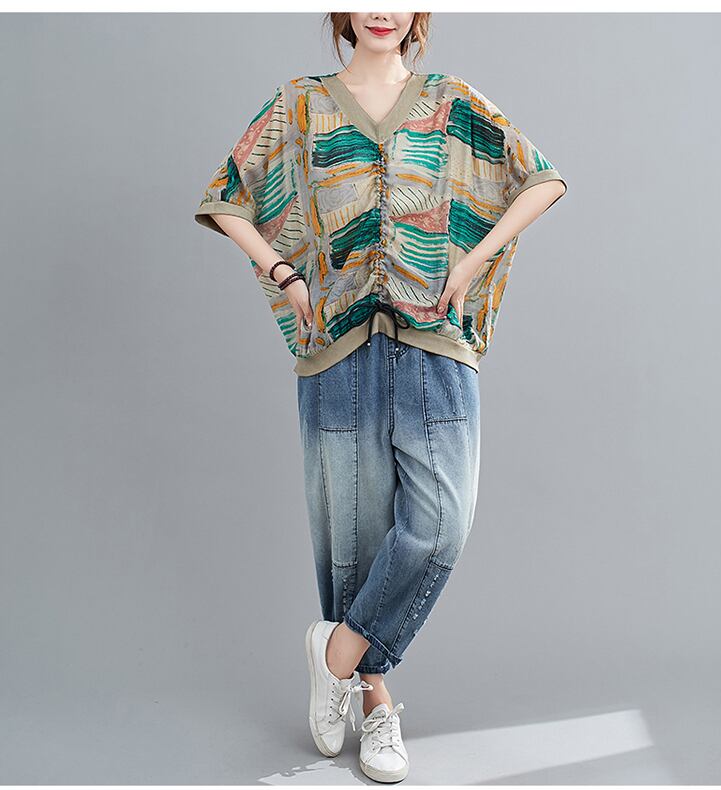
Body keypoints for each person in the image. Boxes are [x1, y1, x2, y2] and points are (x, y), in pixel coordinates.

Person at [194, 11, 567, 783]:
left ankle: (333, 655)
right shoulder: (300, 105)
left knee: (440, 524)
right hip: (337, 349)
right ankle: (375, 703)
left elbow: (541, 179)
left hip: (435, 342)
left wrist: (470, 264)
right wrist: (284, 274)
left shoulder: (450, 101)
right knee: (354, 542)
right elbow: (227, 197)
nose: (381, 10)